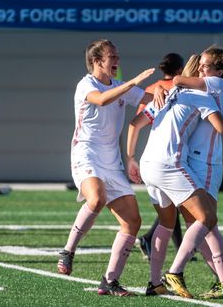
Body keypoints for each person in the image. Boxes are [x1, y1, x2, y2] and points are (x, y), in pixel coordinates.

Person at [57, 39, 155, 297]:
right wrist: (133, 82)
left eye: (117, 55)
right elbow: (100, 100)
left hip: (112, 161)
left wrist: (175, 92)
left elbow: (150, 99)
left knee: (133, 221)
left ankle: (109, 281)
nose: (117, 60)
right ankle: (68, 250)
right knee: (96, 197)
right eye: (112, 56)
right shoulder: (86, 84)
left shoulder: (121, 86)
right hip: (85, 153)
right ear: (97, 61)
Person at [147, 46, 223, 299]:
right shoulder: (206, 89)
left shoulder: (216, 84)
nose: (201, 69)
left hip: (203, 162)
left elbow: (176, 80)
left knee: (206, 221)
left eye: (205, 65)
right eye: (199, 66)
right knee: (207, 223)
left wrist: (167, 84)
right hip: (196, 160)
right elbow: (167, 87)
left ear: (219, 71)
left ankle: (176, 272)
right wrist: (158, 88)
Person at [136, 53, 185, 261]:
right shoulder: (180, 88)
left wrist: (130, 156)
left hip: (152, 149)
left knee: (173, 205)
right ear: (180, 70)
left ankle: (181, 247)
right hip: (171, 152)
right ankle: (152, 240)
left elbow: (139, 119)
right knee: (176, 204)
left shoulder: (152, 87)